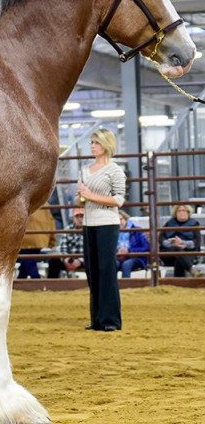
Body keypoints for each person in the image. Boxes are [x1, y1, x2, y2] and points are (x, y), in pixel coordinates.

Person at [77, 128, 126, 332]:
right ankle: (97, 318)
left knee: (106, 270)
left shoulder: (114, 170)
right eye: (91, 142)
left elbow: (119, 200)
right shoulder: (84, 170)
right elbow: (82, 196)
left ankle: (111, 320)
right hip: (89, 223)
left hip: (107, 223)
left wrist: (90, 196)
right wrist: (81, 197)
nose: (92, 146)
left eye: (96, 142)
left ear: (106, 145)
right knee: (92, 270)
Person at [159, 205, 201, 277]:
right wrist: (171, 242)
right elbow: (161, 238)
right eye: (179, 211)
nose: (182, 213)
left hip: (188, 253)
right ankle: (191, 269)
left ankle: (178, 284)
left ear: (188, 213)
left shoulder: (194, 223)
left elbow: (197, 241)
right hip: (170, 254)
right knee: (177, 249)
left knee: (179, 260)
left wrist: (183, 243)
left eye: (184, 210)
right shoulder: (169, 223)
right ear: (175, 213)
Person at [17, 208, 56, 279]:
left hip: (26, 238)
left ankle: (37, 283)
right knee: (27, 261)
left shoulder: (21, 199)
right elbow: (51, 220)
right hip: (41, 237)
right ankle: (19, 282)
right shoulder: (44, 201)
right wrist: (52, 239)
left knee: (29, 262)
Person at [47, 208, 84, 278]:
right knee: (53, 261)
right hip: (69, 259)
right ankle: (51, 287)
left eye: (82, 216)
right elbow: (62, 248)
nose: (80, 219)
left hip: (84, 260)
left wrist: (80, 261)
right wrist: (66, 259)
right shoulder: (68, 229)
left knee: (92, 261)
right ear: (73, 218)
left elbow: (92, 251)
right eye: (77, 216)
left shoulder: (89, 231)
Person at [116, 210, 150, 278]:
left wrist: (129, 250)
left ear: (126, 219)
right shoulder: (112, 232)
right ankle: (111, 287)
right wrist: (117, 251)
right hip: (118, 257)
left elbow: (146, 247)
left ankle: (126, 287)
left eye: (121, 219)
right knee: (113, 264)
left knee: (126, 264)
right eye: (116, 220)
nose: (119, 222)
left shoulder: (137, 230)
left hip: (136, 257)